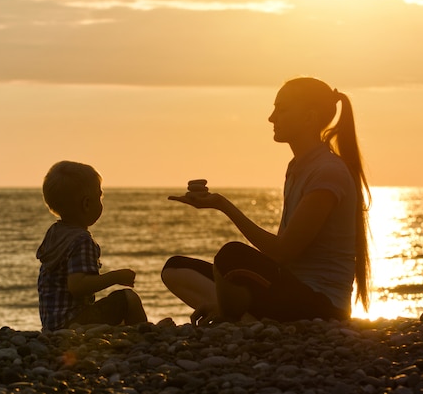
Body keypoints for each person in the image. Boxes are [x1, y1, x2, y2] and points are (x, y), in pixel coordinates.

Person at [162, 76, 371, 325]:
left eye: (281, 110)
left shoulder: (327, 171)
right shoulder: (298, 167)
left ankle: (237, 318)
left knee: (230, 257)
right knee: (175, 269)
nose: (272, 118)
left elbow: (284, 252)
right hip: (288, 290)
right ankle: (241, 316)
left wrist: (223, 205)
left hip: (321, 306)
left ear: (309, 117)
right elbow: (282, 258)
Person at [37, 161, 147, 331]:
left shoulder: (55, 232)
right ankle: (146, 334)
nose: (101, 201)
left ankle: (120, 330)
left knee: (117, 321)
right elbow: (77, 286)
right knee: (129, 298)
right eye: (100, 196)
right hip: (72, 321)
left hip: (52, 324)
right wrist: (116, 277)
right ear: (87, 204)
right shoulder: (81, 240)